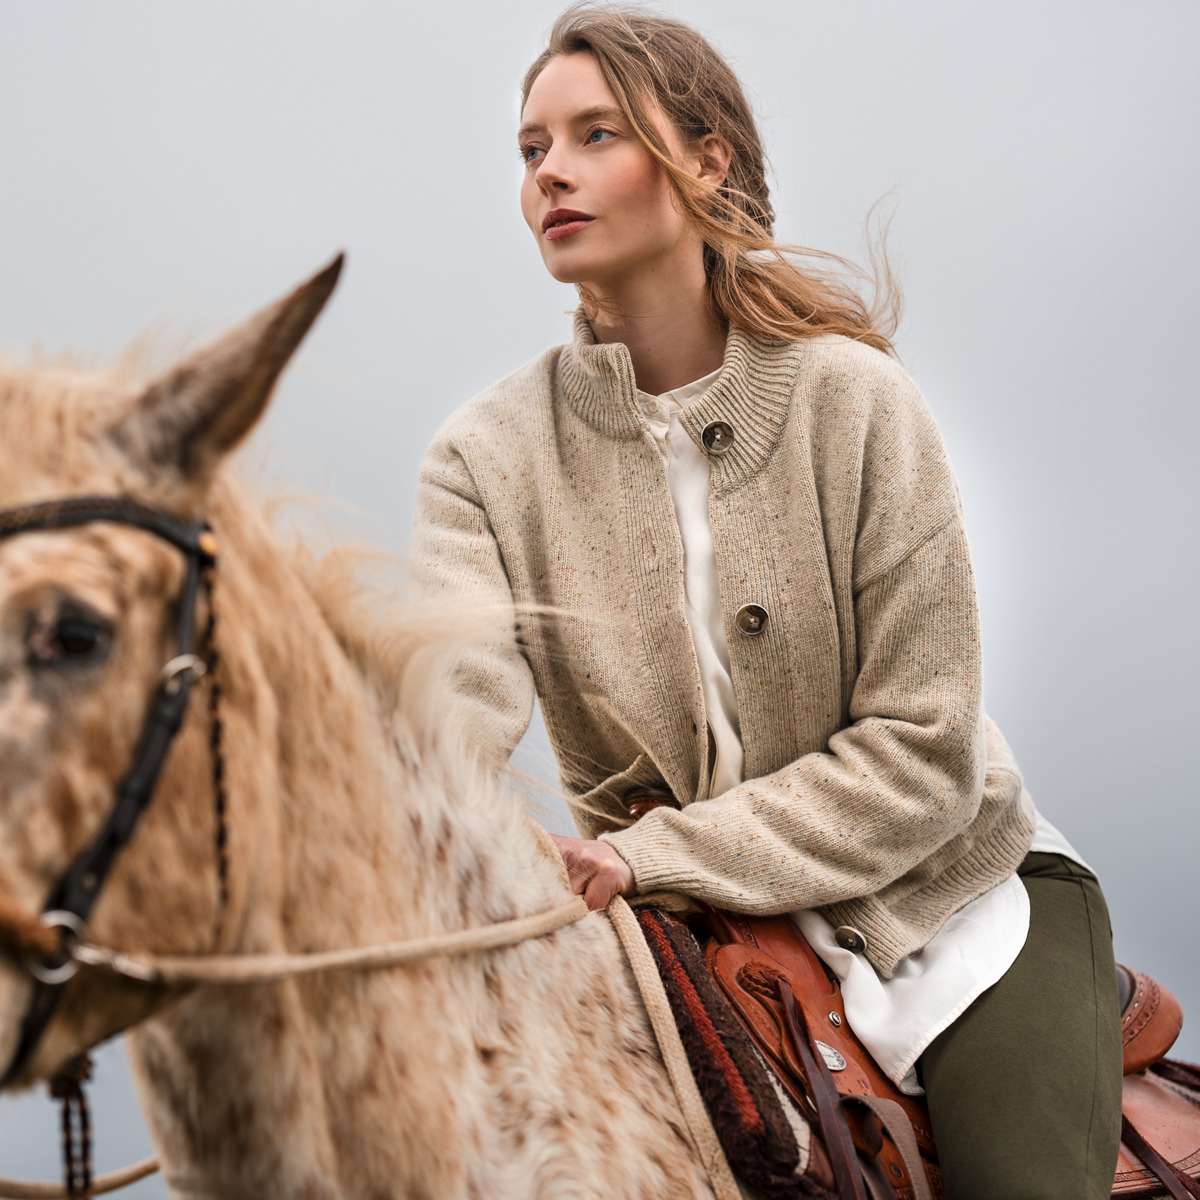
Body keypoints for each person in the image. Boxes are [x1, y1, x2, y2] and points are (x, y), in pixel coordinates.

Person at [409, 6, 1122, 1197]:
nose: (552, 175)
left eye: (595, 135)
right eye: (532, 150)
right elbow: (451, 727)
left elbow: (925, 755)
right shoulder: (480, 458)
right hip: (678, 949)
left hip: (963, 917)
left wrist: (648, 857)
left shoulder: (858, 405)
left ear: (705, 160)